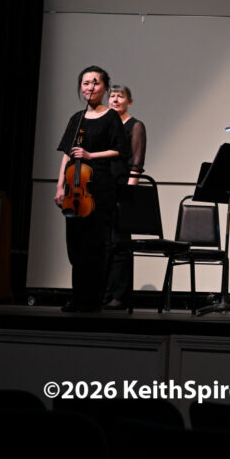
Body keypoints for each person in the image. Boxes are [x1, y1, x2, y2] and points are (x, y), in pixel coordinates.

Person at [54, 66, 124, 312]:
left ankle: (93, 299)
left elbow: (118, 150)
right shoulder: (77, 118)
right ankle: (78, 296)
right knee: (75, 245)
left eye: (95, 83)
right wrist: (59, 185)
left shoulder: (111, 117)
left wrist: (91, 155)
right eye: (85, 83)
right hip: (74, 187)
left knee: (95, 244)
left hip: (100, 187)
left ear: (105, 88)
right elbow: (67, 152)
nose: (90, 87)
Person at [102, 84, 147, 310]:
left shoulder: (135, 126)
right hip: (103, 190)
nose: (115, 100)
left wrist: (128, 194)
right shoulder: (107, 125)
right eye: (112, 96)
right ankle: (105, 293)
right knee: (104, 244)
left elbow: (136, 164)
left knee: (120, 243)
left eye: (120, 97)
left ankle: (120, 295)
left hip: (121, 189)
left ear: (129, 101)